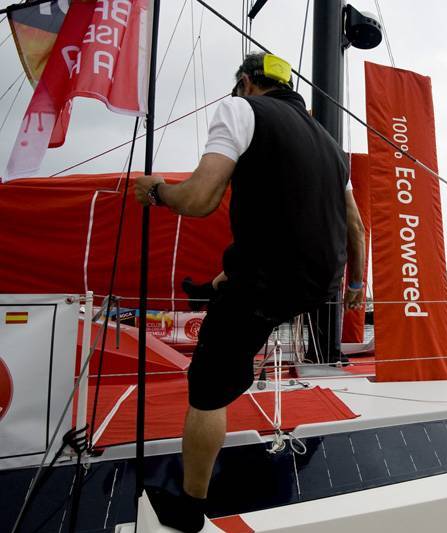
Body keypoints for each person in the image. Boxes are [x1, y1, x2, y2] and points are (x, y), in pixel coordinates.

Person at [134, 52, 365, 532]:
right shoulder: (332, 147)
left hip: (268, 282)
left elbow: (199, 199)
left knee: (207, 389)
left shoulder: (242, 110)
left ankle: (189, 507)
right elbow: (357, 228)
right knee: (237, 271)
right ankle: (210, 291)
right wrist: (358, 286)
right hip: (318, 286)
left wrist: (157, 190)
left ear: (246, 83)